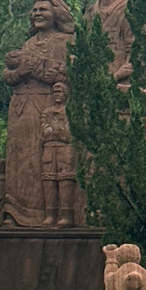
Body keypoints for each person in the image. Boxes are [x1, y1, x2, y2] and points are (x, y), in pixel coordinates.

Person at [1, 0, 76, 226]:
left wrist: (35, 68)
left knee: (40, 159)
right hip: (21, 108)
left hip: (46, 107)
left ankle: (44, 213)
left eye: (43, 9)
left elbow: (68, 74)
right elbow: (10, 75)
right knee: (18, 159)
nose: (37, 14)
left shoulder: (64, 42)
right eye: (34, 10)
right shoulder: (29, 44)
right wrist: (18, 73)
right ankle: (14, 212)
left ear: (57, 13)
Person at [40, 82, 83, 227]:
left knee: (66, 179)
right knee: (48, 179)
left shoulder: (70, 111)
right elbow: (44, 131)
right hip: (49, 148)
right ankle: (50, 215)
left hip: (66, 149)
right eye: (55, 92)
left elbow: (69, 133)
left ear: (66, 94)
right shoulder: (47, 112)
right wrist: (55, 131)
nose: (57, 95)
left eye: (60, 92)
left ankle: (67, 216)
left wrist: (57, 131)